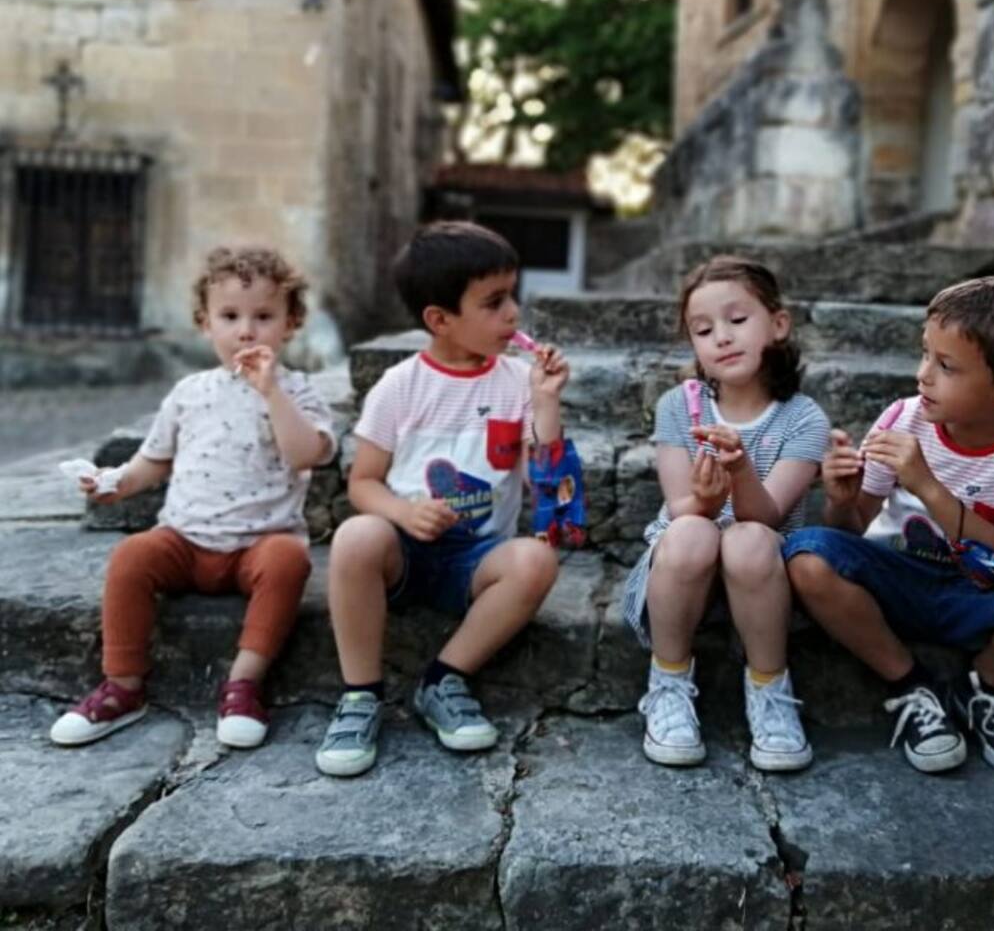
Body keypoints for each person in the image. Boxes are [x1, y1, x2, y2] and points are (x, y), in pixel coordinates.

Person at [785, 276, 994, 777]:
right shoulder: (903, 419)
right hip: (902, 582)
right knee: (807, 554)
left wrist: (927, 485)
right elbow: (852, 531)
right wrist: (841, 500)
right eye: (925, 354)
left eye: (946, 366)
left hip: (988, 594)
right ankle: (910, 685)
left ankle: (980, 691)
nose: (922, 375)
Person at [50, 246, 335, 749]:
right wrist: (114, 482)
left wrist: (272, 394)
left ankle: (244, 683)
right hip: (184, 539)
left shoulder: (299, 392)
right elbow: (154, 459)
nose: (246, 330)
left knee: (290, 562)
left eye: (263, 317)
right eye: (230, 316)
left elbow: (306, 454)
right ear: (206, 324)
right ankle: (123, 685)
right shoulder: (189, 392)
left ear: (291, 324)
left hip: (258, 545)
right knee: (131, 556)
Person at [315, 221, 565, 777]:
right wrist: (404, 512)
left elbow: (545, 485)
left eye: (512, 296)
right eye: (494, 302)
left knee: (536, 560)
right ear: (439, 320)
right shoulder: (399, 387)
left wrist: (545, 404)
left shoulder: (517, 382)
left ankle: (443, 679)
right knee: (356, 535)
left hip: (475, 562)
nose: (513, 314)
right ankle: (360, 694)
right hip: (401, 552)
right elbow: (362, 484)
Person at [622, 256, 830, 770]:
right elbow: (680, 507)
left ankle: (769, 690)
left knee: (747, 538)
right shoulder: (679, 406)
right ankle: (669, 681)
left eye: (737, 321)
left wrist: (739, 474)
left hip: (761, 576)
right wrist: (707, 501)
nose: (722, 337)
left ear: (778, 325)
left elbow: (771, 516)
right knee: (692, 529)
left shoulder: (804, 419)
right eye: (703, 329)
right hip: (681, 573)